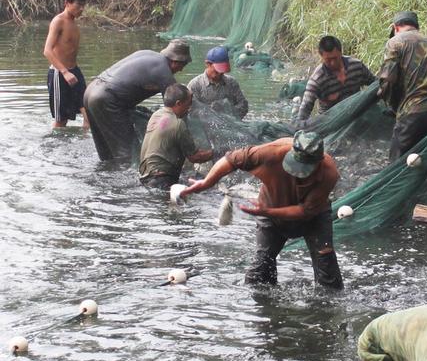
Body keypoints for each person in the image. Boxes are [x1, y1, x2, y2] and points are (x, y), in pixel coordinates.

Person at [181, 131, 343, 290]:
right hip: (270, 211)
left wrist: (267, 212)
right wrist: (207, 182)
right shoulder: (272, 151)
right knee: (259, 273)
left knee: (327, 271)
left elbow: (304, 211)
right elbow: (231, 159)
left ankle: (327, 308)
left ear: (318, 161)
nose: (297, 173)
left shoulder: (328, 172)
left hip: (312, 218)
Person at [83, 39, 192, 161]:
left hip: (91, 92)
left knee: (105, 151)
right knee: (129, 152)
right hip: (106, 99)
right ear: (175, 61)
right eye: (182, 65)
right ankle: (126, 178)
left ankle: (105, 176)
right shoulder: (163, 71)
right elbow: (177, 105)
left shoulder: (147, 55)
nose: (181, 70)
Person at [379, 11, 427, 161]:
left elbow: (387, 81)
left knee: (395, 167)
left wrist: (392, 107)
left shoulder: (395, 42)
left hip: (414, 113)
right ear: (416, 26)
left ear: (395, 27)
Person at [138, 84, 214, 189]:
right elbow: (195, 157)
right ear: (178, 103)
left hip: (144, 176)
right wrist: (216, 152)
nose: (189, 107)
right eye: (188, 103)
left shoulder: (156, 115)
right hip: (162, 180)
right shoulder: (178, 124)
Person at [296, 35, 376, 124]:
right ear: (321, 56)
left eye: (335, 58)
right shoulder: (317, 80)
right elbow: (304, 110)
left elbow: (375, 84)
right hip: (330, 123)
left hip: (356, 117)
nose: (333, 63)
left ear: (341, 53)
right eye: (328, 60)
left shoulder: (356, 66)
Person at [43, 0, 90, 130]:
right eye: (78, 5)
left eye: (83, 5)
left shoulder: (74, 23)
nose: (81, 9)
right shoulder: (59, 21)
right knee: (61, 121)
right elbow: (47, 51)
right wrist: (64, 72)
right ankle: (58, 148)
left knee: (89, 113)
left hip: (74, 71)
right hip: (59, 74)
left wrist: (71, 72)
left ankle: (83, 146)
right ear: (67, 3)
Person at [188, 46, 248, 119]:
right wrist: (210, 112)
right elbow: (189, 111)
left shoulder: (231, 83)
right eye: (217, 71)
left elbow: (243, 105)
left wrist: (229, 113)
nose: (220, 74)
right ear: (207, 64)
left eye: (222, 71)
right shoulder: (195, 85)